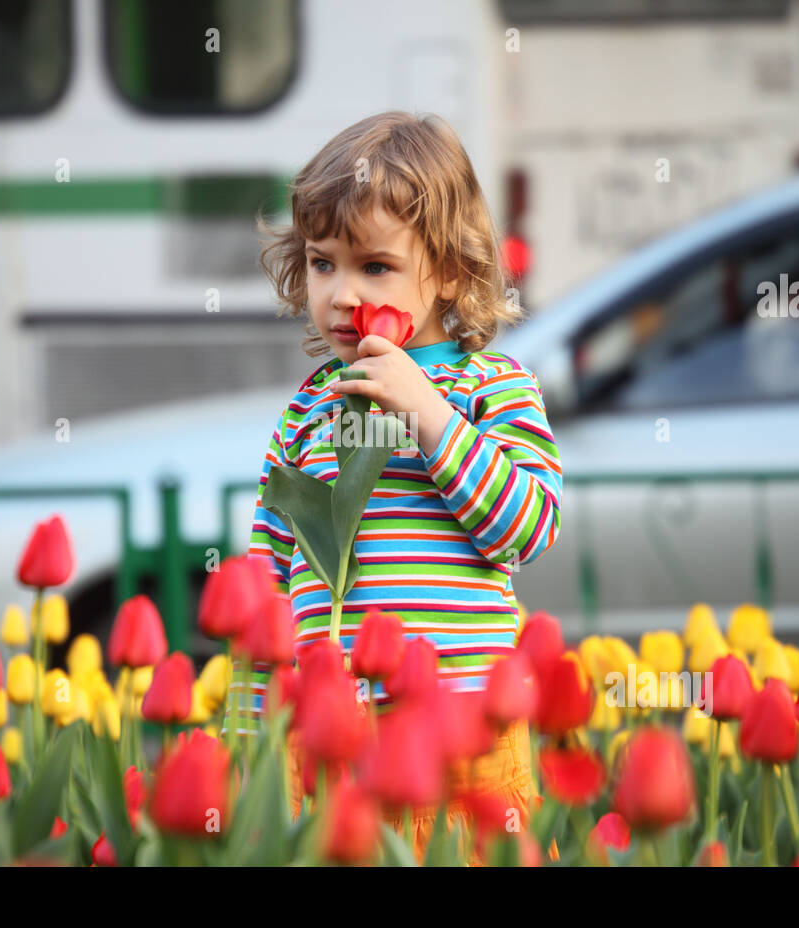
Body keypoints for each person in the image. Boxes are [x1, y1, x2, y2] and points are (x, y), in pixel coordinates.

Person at [219, 111, 563, 864]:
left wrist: (432, 418)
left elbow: (529, 527)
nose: (342, 293)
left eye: (374, 266)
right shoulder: (308, 412)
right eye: (322, 263)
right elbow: (269, 583)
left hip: (463, 726)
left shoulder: (489, 388)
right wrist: (251, 735)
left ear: (447, 270)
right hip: (328, 735)